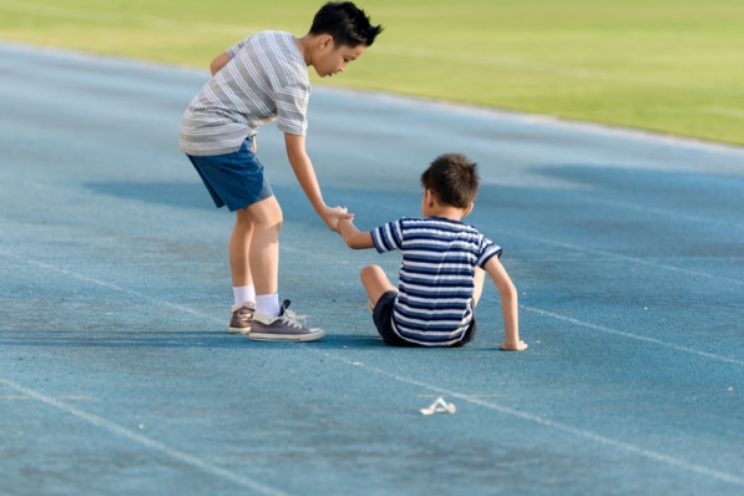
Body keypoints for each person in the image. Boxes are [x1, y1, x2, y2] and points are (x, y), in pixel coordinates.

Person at [179, 2, 382, 341]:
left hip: (196, 127)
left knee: (249, 219)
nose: (344, 68)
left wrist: (244, 121)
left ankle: (244, 307)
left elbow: (218, 66)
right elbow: (296, 151)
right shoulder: (295, 80)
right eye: (348, 59)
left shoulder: (269, 37)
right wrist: (323, 210)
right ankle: (268, 316)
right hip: (220, 135)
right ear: (326, 43)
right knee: (270, 219)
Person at [337, 153, 528, 350]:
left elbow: (354, 240)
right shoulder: (476, 240)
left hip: (402, 332)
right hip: (454, 336)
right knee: (480, 267)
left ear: (429, 196)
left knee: (371, 271)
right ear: (468, 208)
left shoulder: (408, 227)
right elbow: (508, 289)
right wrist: (512, 341)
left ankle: (392, 304)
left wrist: (343, 221)